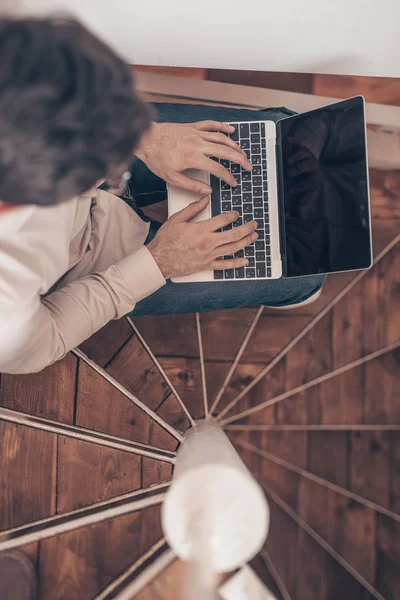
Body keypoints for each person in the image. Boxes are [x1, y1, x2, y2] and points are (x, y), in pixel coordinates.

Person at [0, 17, 325, 375]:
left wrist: (145, 137)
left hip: (75, 188)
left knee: (285, 131)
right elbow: (47, 337)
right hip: (86, 265)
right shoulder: (6, 315)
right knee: (303, 273)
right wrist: (160, 262)